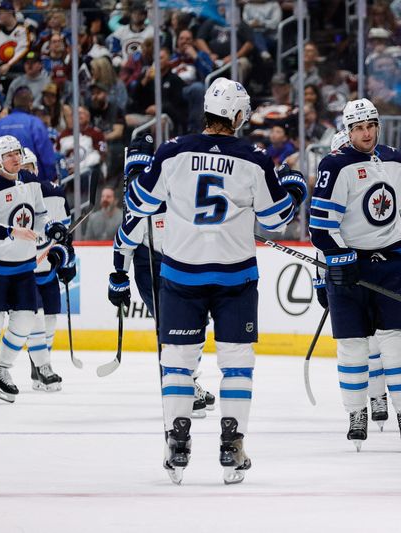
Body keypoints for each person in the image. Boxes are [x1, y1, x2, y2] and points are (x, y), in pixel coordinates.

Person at [123, 78, 306, 485]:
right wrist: (293, 191)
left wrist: (137, 171)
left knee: (178, 364)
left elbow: (140, 204)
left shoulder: (172, 151)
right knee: (237, 364)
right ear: (239, 117)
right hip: (235, 276)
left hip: (181, 274)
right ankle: (231, 444)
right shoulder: (255, 158)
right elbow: (277, 220)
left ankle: (178, 441)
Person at [309, 98, 401, 451]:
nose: (366, 133)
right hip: (348, 267)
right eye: (358, 128)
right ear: (347, 130)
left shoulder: (397, 162)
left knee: (396, 343)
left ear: (378, 125)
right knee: (353, 348)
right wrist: (339, 262)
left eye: (370, 125)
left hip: (389, 266)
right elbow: (321, 228)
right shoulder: (335, 165)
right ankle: (357, 414)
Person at [108, 139, 215, 416]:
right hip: (152, 270)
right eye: (132, 175)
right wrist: (119, 276)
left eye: (141, 174)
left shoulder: (175, 193)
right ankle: (179, 387)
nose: (137, 182)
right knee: (172, 328)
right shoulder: (137, 208)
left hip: (184, 263)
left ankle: (188, 380)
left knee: (197, 322)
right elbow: (123, 243)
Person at [0, 135, 67, 404]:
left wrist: (51, 229)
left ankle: (1, 368)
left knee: (26, 319)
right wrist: (11, 231)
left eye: (17, 152)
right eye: (8, 154)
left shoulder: (31, 184)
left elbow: (40, 216)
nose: (15, 157)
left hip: (22, 265)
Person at [18, 148, 72, 392]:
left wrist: (68, 260)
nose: (27, 173)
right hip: (24, 272)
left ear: (36, 170)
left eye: (29, 168)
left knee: (49, 319)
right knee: (35, 319)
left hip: (47, 269)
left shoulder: (54, 194)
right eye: (22, 169)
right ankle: (43, 367)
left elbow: (65, 237)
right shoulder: (11, 196)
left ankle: (40, 367)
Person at [0, 87, 57, 181]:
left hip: (5, 184)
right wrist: (49, 181)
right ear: (30, 104)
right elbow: (47, 158)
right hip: (32, 183)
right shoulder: (34, 123)